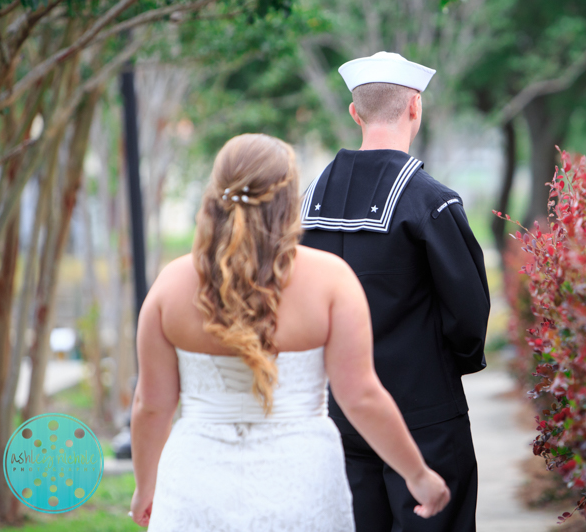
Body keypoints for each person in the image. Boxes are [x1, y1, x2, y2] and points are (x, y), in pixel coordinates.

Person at [128, 133, 450, 530]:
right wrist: (417, 475)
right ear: (288, 199)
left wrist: (146, 488)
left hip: (197, 486)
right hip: (300, 484)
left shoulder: (170, 286)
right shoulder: (331, 280)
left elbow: (151, 405)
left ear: (214, 195)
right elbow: (361, 397)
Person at [301, 52, 491, 531]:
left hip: (337, 414)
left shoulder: (307, 200)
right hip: (422, 413)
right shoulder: (430, 200)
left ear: (354, 112)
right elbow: (468, 314)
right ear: (415, 107)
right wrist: (451, 369)